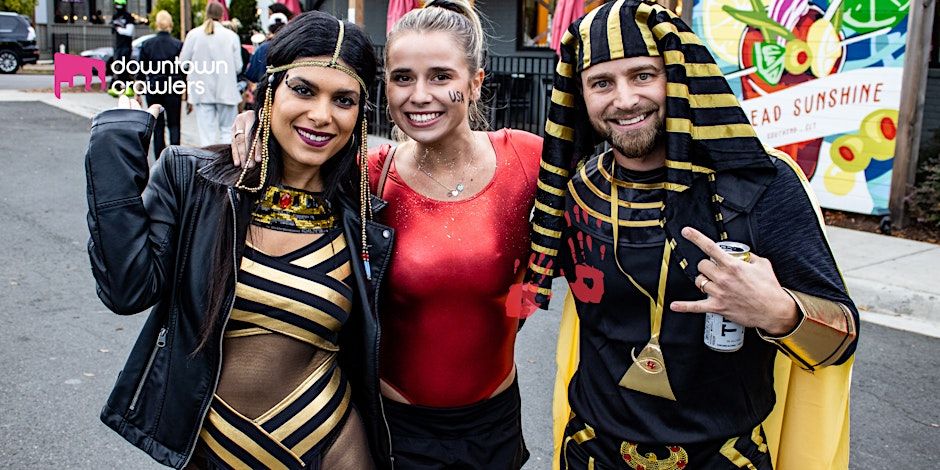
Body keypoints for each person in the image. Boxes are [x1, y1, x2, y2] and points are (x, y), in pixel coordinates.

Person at [520, 1, 860, 469]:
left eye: (643, 75)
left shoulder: (758, 183)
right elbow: (512, 289)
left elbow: (839, 340)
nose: (624, 99)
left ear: (678, 77)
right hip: (592, 451)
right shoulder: (578, 190)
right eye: (601, 83)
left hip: (724, 458)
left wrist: (779, 312)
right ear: (580, 94)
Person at [232, 1, 542, 467]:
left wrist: (519, 300)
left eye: (441, 76)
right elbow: (285, 172)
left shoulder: (525, 158)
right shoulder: (364, 177)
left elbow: (593, 224)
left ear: (475, 83)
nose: (420, 95)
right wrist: (254, 124)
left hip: (494, 425)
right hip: (397, 430)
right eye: (402, 78)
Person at [85, 11, 391, 469]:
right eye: (303, 90)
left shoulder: (365, 214)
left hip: (332, 449)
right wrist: (114, 142)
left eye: (343, 100)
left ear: (359, 115)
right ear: (270, 90)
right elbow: (126, 290)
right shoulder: (194, 182)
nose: (321, 115)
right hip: (215, 450)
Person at [180, 1, 243, 146]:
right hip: (226, 89)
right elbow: (238, 66)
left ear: (206, 14)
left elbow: (183, 63)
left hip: (202, 89)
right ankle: (226, 158)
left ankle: (209, 159)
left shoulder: (193, 35)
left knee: (207, 135)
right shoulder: (231, 36)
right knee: (227, 131)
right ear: (222, 15)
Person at [136, 10, 183, 159]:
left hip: (154, 87)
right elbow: (183, 70)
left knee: (157, 127)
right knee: (174, 124)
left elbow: (141, 71)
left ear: (156, 24)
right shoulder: (178, 45)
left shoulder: (147, 44)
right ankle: (175, 158)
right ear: (170, 24)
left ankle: (159, 159)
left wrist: (138, 92)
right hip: (172, 87)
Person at [245, 12, 290, 83]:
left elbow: (251, 76)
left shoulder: (262, 48)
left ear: (269, 29)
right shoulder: (290, 47)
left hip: (264, 87)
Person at [108, 0, 135, 96]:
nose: (118, 6)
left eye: (120, 4)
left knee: (125, 67)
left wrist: (119, 29)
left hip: (126, 47)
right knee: (117, 67)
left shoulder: (128, 17)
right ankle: (116, 88)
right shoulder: (115, 16)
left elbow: (129, 32)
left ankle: (128, 88)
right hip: (118, 47)